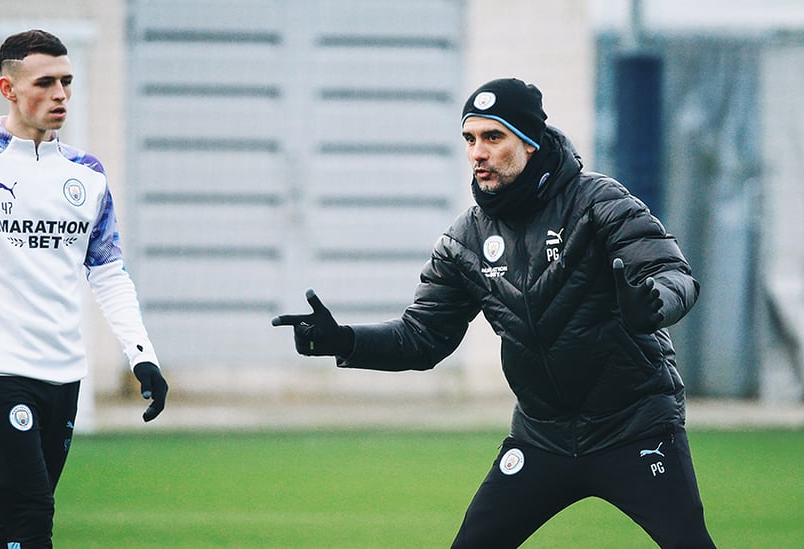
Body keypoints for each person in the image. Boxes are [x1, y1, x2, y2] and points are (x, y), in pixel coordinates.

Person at [272, 78, 716, 548]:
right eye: (470, 139)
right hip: (541, 437)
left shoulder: (599, 204)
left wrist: (652, 304)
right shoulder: (466, 238)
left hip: (633, 427)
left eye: (492, 137)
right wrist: (346, 341)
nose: (477, 152)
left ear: (529, 141)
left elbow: (673, 275)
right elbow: (422, 337)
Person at [0, 29, 169, 548]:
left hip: (63, 373)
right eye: (46, 83)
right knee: (34, 509)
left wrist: (142, 355)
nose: (61, 95)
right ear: (8, 89)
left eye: (67, 82)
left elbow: (108, 272)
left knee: (12, 519)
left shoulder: (88, 174)